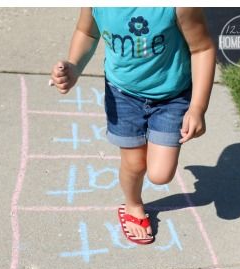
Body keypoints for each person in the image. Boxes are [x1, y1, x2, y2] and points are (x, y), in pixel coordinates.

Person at [51, 7, 216, 244]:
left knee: (160, 174)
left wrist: (198, 107)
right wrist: (74, 66)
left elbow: (203, 49)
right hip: (123, 95)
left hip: (171, 96)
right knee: (135, 163)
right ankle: (133, 205)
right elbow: (86, 33)